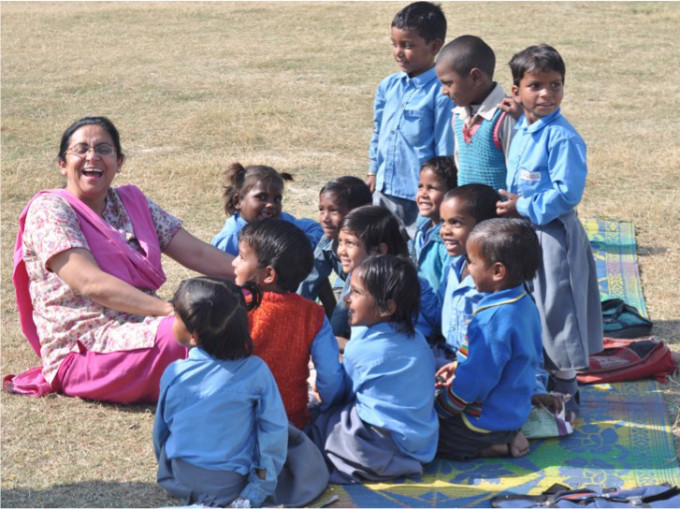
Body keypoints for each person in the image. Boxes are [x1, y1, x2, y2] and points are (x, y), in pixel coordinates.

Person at [4, 116, 235, 404]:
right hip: (83, 348)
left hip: (142, 327)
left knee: (239, 304)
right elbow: (90, 282)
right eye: (81, 149)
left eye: (104, 149)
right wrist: (169, 312)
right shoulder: (50, 209)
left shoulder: (130, 202)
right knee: (179, 335)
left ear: (119, 161)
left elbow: (196, 252)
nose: (93, 157)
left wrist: (249, 275)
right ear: (63, 163)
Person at [154, 277, 328, 508]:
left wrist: (169, 470)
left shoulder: (173, 372)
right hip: (232, 485)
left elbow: (161, 434)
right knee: (295, 446)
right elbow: (272, 432)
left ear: (194, 335)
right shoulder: (256, 371)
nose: (171, 320)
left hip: (181, 478)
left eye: (176, 316)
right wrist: (258, 488)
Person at [497, 44, 603, 411]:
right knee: (532, 303)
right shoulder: (527, 128)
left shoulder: (563, 138)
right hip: (526, 232)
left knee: (557, 307)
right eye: (536, 86)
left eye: (555, 85)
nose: (547, 94)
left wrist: (520, 204)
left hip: (553, 235)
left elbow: (566, 194)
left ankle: (567, 388)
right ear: (516, 91)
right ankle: (538, 377)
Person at [308, 255, 438, 483]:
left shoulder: (361, 350)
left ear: (387, 307)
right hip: (421, 443)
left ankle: (389, 464)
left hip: (380, 443)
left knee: (322, 424)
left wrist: (322, 381)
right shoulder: (417, 339)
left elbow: (337, 396)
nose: (347, 298)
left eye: (356, 293)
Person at [435, 218, 542, 459]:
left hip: (481, 421)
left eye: (471, 262)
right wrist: (458, 364)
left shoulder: (491, 320)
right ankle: (506, 434)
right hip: (512, 408)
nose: (467, 268)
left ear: (497, 271)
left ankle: (496, 445)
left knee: (424, 439)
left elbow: (472, 384)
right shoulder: (523, 302)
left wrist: (440, 408)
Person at [232, 219, 345, 429]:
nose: (233, 262)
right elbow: (330, 376)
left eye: (241, 257)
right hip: (290, 423)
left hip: (237, 421)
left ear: (268, 274)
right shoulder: (313, 315)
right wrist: (329, 408)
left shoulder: (235, 308)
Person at [367, 1, 454, 239]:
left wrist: (442, 192)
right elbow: (379, 131)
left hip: (421, 200)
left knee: (419, 259)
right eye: (394, 44)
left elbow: (445, 148)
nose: (398, 51)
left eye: (408, 45)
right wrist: (373, 171)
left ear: (435, 46)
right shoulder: (388, 86)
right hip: (384, 192)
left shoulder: (442, 92)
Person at [333, 206, 440, 345]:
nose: (341, 250)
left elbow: (409, 343)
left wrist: (347, 347)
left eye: (350, 243)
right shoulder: (357, 276)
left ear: (379, 250)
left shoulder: (403, 288)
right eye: (340, 241)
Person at [435, 35, 516, 191]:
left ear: (475, 77)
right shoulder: (458, 115)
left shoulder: (507, 116)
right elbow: (460, 164)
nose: (443, 91)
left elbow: (517, 173)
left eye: (448, 83)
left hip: (500, 214)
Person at [436, 184, 499, 368]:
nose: (445, 231)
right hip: (448, 356)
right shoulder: (453, 268)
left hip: (477, 366)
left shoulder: (492, 280)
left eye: (456, 222)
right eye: (443, 221)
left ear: (483, 228)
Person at [211, 162, 323, 256]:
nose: (271, 204)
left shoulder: (281, 221)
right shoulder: (231, 239)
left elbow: (316, 228)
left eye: (277, 199)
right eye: (262, 197)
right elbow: (217, 277)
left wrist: (295, 247)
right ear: (238, 201)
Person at [298, 176, 372, 316]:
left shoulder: (366, 249)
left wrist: (335, 332)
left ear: (358, 212)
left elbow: (351, 295)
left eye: (334, 211)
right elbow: (309, 280)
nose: (325, 218)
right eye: (322, 209)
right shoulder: (328, 240)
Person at [412, 155, 457, 292]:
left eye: (432, 188)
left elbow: (447, 289)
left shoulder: (448, 241)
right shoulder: (421, 228)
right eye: (420, 187)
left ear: (449, 193)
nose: (423, 194)